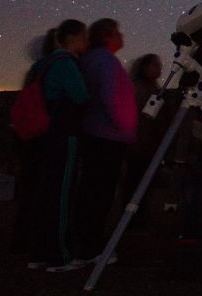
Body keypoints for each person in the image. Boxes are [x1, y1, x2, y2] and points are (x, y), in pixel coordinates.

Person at [67, 19, 138, 269]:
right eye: (118, 31)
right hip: (107, 137)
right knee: (99, 194)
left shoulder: (90, 59)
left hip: (95, 134)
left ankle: (84, 244)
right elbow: (109, 98)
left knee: (89, 191)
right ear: (108, 36)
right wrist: (125, 128)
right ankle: (92, 249)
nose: (122, 35)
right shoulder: (105, 61)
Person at [27, 19, 89, 271]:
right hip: (63, 135)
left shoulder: (42, 64)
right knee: (61, 194)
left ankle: (38, 253)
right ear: (72, 38)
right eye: (84, 36)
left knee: (45, 193)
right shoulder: (65, 64)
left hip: (43, 136)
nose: (86, 42)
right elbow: (81, 96)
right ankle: (60, 256)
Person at [10, 29, 58, 256]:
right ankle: (37, 242)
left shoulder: (36, 70)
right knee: (42, 190)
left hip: (29, 136)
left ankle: (22, 239)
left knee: (30, 189)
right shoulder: (55, 66)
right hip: (45, 136)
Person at [123, 53, 164, 227]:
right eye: (155, 65)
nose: (159, 69)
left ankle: (137, 220)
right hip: (138, 144)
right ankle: (133, 222)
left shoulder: (154, 88)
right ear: (145, 67)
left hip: (147, 144)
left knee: (142, 185)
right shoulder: (138, 88)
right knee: (135, 184)